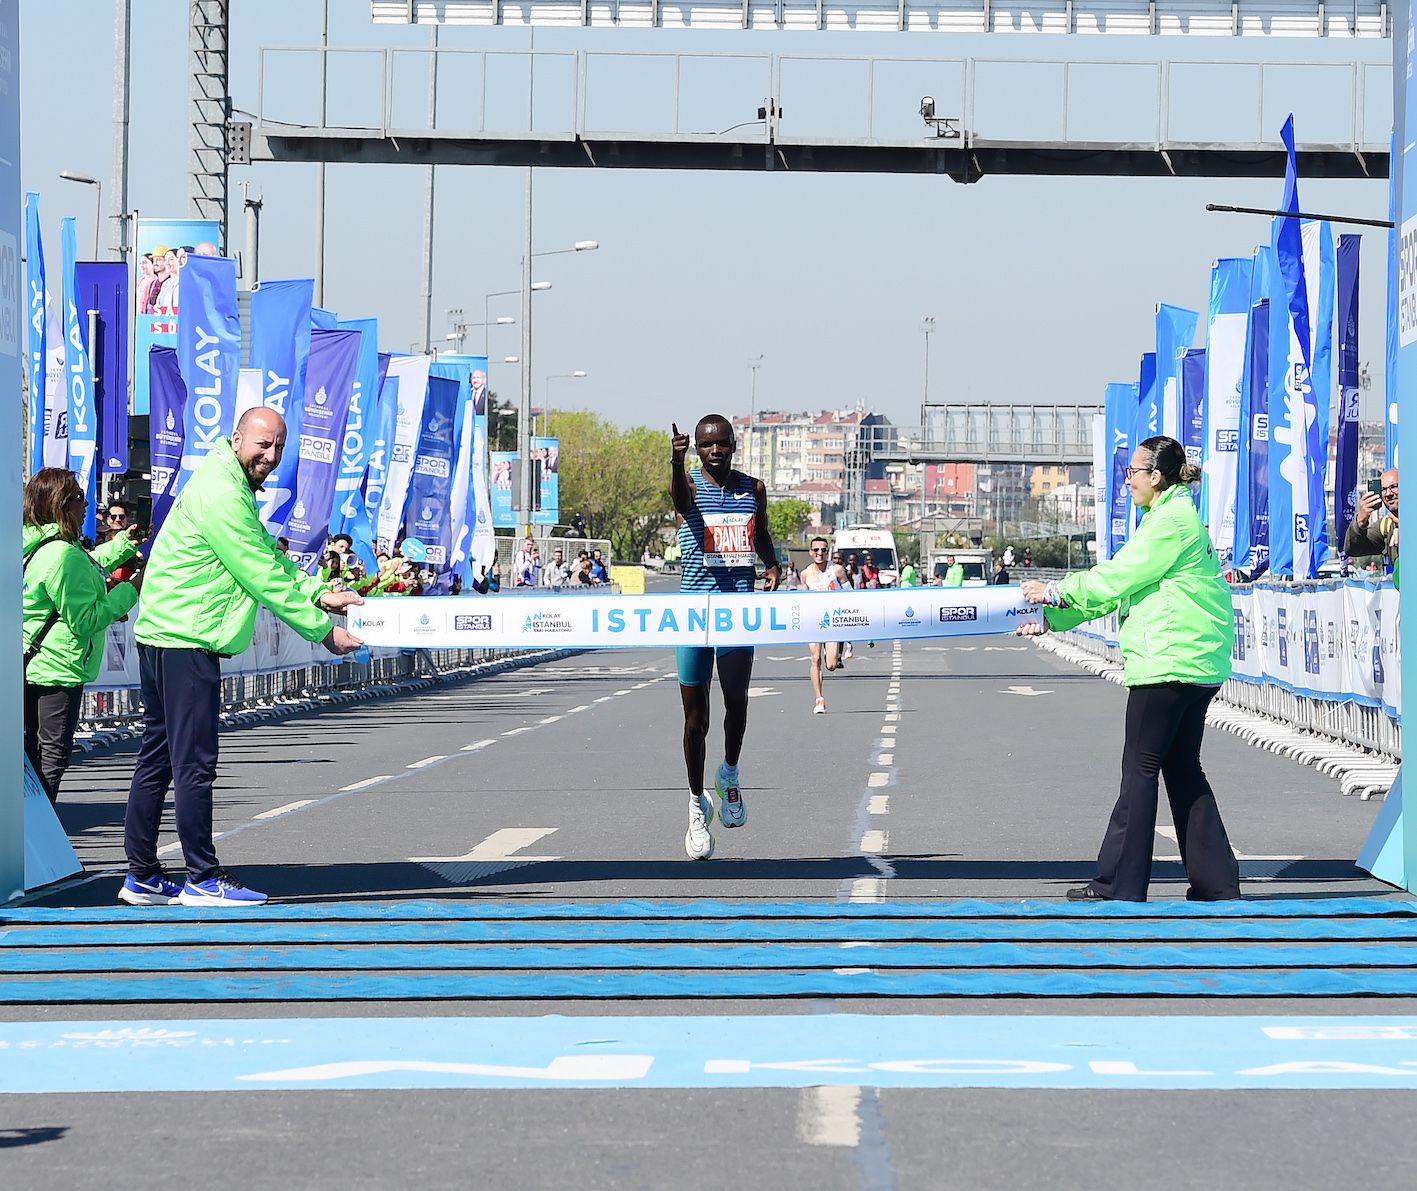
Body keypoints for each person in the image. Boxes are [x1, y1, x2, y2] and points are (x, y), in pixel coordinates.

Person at [120, 407, 364, 908]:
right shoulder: (223, 494)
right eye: (261, 444)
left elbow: (268, 558)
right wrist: (323, 631)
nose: (270, 456)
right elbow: (259, 571)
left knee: (160, 758)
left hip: (166, 633)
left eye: (277, 446)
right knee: (194, 764)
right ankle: (203, 879)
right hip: (187, 637)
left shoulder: (223, 480)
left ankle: (141, 875)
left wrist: (320, 593)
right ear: (237, 439)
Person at [1017, 435, 1238, 904]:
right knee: (1182, 769)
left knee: (1139, 770)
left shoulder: (1169, 522)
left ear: (1156, 476)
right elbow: (1122, 589)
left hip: (1169, 661)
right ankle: (1216, 882)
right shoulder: (1171, 517)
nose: (1128, 481)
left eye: (1133, 473)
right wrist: (1051, 618)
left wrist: (1055, 593)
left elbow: (1117, 576)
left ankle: (1120, 883)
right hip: (1195, 662)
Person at [671, 415, 780, 859]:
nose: (715, 451)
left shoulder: (752, 489)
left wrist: (771, 564)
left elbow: (763, 534)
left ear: (734, 446)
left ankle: (729, 773)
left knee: (737, 701)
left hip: (738, 609)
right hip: (695, 611)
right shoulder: (689, 485)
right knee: (696, 717)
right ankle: (696, 804)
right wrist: (675, 464)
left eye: (722, 444)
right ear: (696, 449)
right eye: (706, 445)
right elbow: (678, 497)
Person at [22, 469, 142, 804]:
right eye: (78, 498)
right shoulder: (63, 554)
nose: (86, 506)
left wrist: (122, 544)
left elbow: (86, 565)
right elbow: (86, 620)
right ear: (61, 504)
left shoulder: (37, 543)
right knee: (50, 760)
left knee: (31, 762)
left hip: (32, 663)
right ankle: (39, 844)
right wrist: (132, 590)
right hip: (57, 669)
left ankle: (31, 840)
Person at [800, 535, 848, 714]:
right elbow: (802, 600)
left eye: (823, 550)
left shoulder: (836, 570)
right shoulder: (805, 574)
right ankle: (819, 699)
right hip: (813, 621)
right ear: (811, 552)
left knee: (831, 665)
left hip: (832, 622)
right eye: (816, 550)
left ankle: (833, 652)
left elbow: (850, 594)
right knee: (815, 658)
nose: (820, 553)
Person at [1344, 468, 1398, 573]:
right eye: (1383, 489)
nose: (1388, 494)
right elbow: (1353, 549)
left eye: (1394, 487)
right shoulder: (1386, 525)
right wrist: (1360, 522)